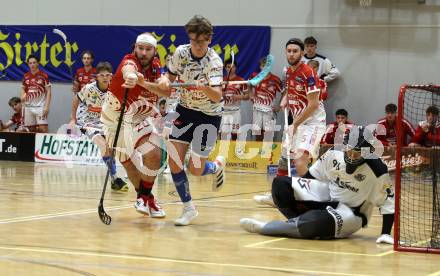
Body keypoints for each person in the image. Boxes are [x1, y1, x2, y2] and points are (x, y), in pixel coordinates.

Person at [242, 126, 395, 244]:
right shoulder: (333, 153)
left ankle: (267, 228)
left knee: (315, 221)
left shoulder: (378, 171)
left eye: (358, 153)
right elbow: (312, 177)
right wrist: (297, 191)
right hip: (328, 196)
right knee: (280, 184)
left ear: (368, 152)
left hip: (352, 213)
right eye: (350, 151)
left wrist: (386, 234)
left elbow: (388, 204)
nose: (353, 156)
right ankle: (300, 223)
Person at [157, 15, 226, 226]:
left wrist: (205, 87)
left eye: (201, 41)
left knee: (196, 169)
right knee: (174, 161)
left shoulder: (214, 62)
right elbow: (168, 75)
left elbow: (218, 96)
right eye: (193, 40)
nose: (197, 45)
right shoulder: (181, 53)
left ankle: (215, 167)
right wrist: (164, 80)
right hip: (185, 110)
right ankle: (188, 208)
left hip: (208, 116)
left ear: (209, 39)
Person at [101, 32, 170, 218]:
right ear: (135, 48)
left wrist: (164, 81)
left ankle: (144, 198)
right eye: (140, 48)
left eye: (148, 49)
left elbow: (164, 83)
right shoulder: (129, 61)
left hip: (139, 117)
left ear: (154, 51)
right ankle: (148, 199)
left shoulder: (156, 66)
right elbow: (128, 69)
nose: (143, 52)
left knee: (154, 154)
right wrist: (131, 76)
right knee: (128, 163)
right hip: (115, 119)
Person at [254, 38, 326, 207]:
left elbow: (314, 104)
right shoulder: (288, 71)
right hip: (298, 123)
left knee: (300, 161)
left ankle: (311, 199)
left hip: (312, 124)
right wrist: (286, 97)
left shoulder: (309, 73)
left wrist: (294, 124)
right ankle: (276, 196)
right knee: (284, 159)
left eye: (295, 51)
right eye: (289, 51)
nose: (292, 54)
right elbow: (290, 88)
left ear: (302, 53)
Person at [69, 61, 129, 192]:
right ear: (97, 76)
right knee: (103, 145)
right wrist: (73, 119)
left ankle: (114, 180)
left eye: (107, 75)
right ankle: (115, 178)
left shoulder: (115, 89)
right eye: (102, 75)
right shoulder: (89, 88)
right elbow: (75, 100)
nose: (105, 78)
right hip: (87, 122)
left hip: (105, 122)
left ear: (111, 76)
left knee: (111, 149)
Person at [249, 57, 282, 142]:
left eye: (267, 66)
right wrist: (250, 94)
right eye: (263, 65)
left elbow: (284, 92)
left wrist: (280, 106)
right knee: (257, 132)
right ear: (260, 66)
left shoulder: (275, 79)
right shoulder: (254, 76)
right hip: (257, 108)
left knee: (268, 133)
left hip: (269, 110)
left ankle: (266, 151)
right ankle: (257, 150)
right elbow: (249, 85)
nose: (265, 68)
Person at [20, 54, 51, 133]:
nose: (32, 65)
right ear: (28, 64)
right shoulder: (25, 76)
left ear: (38, 63)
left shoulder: (44, 76)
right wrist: (22, 96)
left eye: (34, 63)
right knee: (30, 130)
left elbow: (49, 92)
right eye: (30, 63)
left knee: (43, 130)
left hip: (40, 107)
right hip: (28, 107)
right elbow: (23, 89)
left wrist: (46, 107)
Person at [220, 58, 249, 140]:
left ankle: (233, 151)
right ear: (225, 68)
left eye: (232, 67)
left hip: (235, 111)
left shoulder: (241, 81)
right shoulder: (221, 81)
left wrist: (239, 97)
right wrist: (220, 95)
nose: (230, 69)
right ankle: (222, 152)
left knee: (234, 134)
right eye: (228, 67)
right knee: (223, 134)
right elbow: (215, 96)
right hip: (224, 111)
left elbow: (248, 96)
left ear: (235, 68)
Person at [72, 50, 97, 127]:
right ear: (82, 60)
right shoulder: (79, 71)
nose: (86, 60)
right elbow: (76, 89)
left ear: (92, 60)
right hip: (81, 101)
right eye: (84, 58)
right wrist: (75, 88)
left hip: (93, 102)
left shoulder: (96, 72)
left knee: (91, 124)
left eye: (88, 58)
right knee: (78, 123)